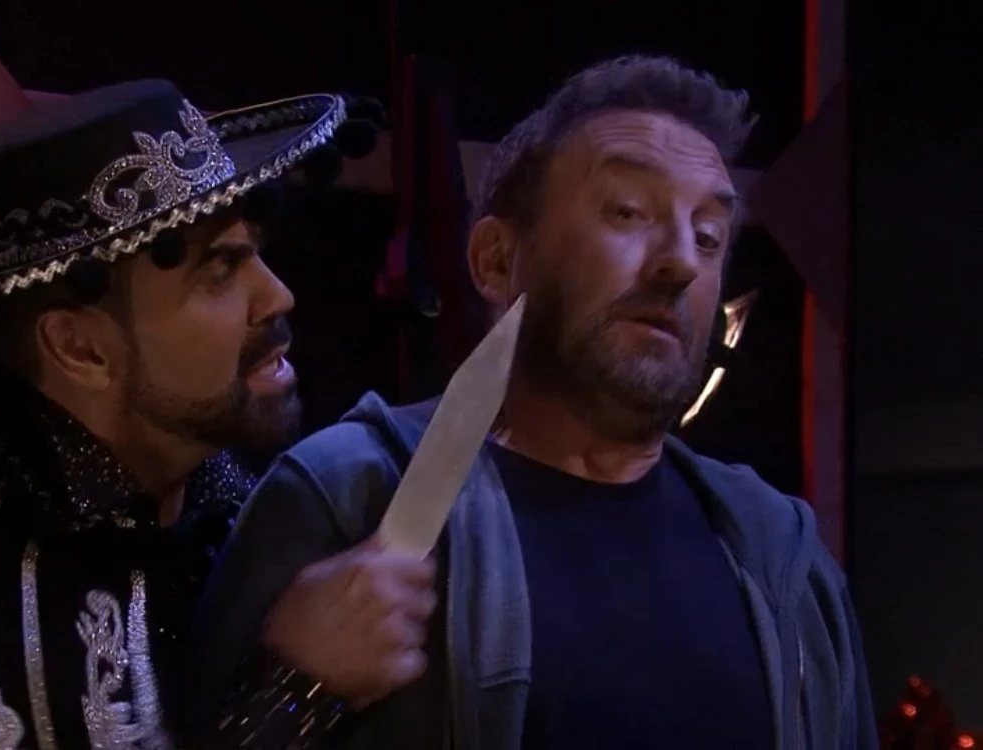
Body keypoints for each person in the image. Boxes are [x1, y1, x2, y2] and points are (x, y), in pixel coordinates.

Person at [188, 56, 878, 749]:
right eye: (628, 212)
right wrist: (296, 691)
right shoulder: (349, 495)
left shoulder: (778, 554)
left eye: (709, 237)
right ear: (495, 260)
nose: (680, 262)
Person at [0, 79, 426, 750]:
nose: (279, 296)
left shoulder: (259, 513)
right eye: (219, 272)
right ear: (80, 349)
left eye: (255, 253)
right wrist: (295, 692)